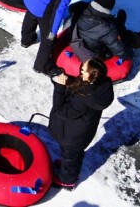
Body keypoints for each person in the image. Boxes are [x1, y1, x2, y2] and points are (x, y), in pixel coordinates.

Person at [48, 59, 114, 190]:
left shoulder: (83, 98)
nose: (81, 70)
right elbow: (81, 88)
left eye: (83, 70)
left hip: (72, 135)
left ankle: (66, 181)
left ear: (91, 75)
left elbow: (60, 111)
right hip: (83, 131)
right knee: (74, 155)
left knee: (70, 158)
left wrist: (60, 88)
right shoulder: (103, 83)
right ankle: (67, 168)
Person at [66, 0, 140, 63]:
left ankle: (119, 24)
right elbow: (120, 51)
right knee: (123, 36)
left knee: (110, 25)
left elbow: (72, 8)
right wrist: (130, 54)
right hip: (97, 53)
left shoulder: (82, 7)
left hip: (84, 40)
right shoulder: (106, 28)